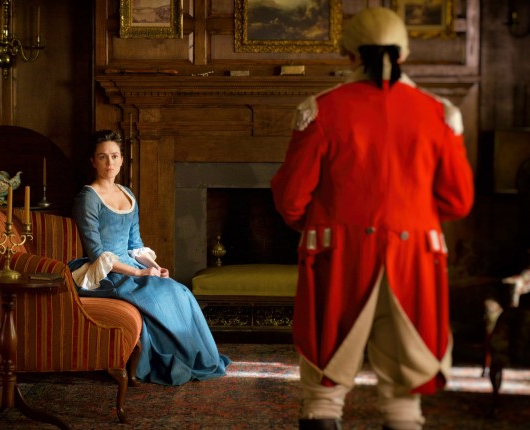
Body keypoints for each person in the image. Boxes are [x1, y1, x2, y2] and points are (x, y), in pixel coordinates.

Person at [270, 7, 474, 430]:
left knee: (323, 388)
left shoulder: (320, 110)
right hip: (415, 260)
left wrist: (320, 221)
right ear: (404, 53)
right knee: (404, 390)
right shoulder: (439, 113)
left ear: (349, 54)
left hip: (337, 256)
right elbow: (458, 202)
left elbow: (291, 199)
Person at [67, 129, 230, 386]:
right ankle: (167, 361)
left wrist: (155, 267)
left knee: (178, 290)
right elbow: (97, 254)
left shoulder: (128, 194)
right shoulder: (88, 198)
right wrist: (140, 273)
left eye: (114, 156)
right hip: (106, 273)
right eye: (102, 157)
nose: (109, 163)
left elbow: (135, 245)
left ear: (122, 159)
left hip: (130, 265)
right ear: (93, 161)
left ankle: (196, 358)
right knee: (158, 296)